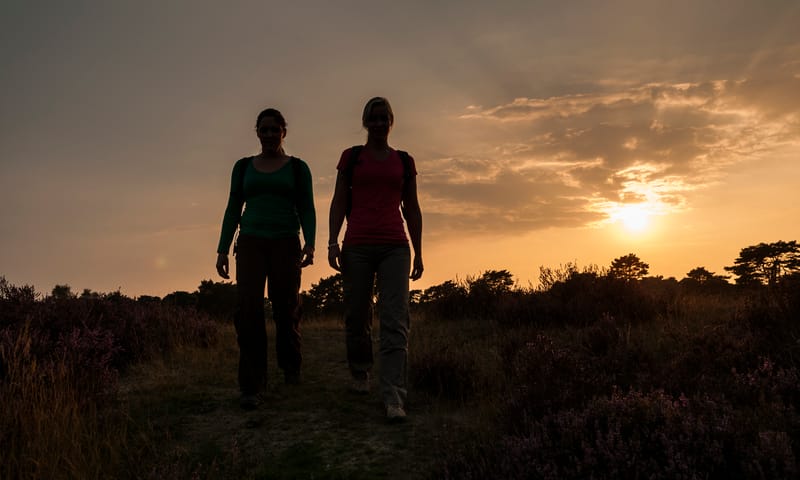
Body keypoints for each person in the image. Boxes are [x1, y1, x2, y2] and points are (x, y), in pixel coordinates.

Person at [327, 96, 423, 422]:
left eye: (384, 118)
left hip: (395, 246)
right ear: (366, 122)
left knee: (395, 320)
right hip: (357, 245)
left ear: (391, 121)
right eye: (374, 118)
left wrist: (419, 252)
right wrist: (331, 241)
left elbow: (412, 208)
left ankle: (394, 397)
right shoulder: (352, 158)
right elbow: (339, 200)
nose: (379, 124)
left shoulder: (403, 161)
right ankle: (360, 371)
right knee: (357, 314)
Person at [215, 107, 316, 410]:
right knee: (248, 311)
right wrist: (222, 248)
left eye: (275, 129)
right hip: (250, 243)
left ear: (284, 131)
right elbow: (233, 207)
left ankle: (291, 365)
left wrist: (310, 244)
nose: (270, 135)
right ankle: (252, 384)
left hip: (286, 242)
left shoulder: (298, 168)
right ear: (257, 132)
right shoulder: (243, 167)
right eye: (264, 130)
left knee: (286, 308)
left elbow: (307, 207)